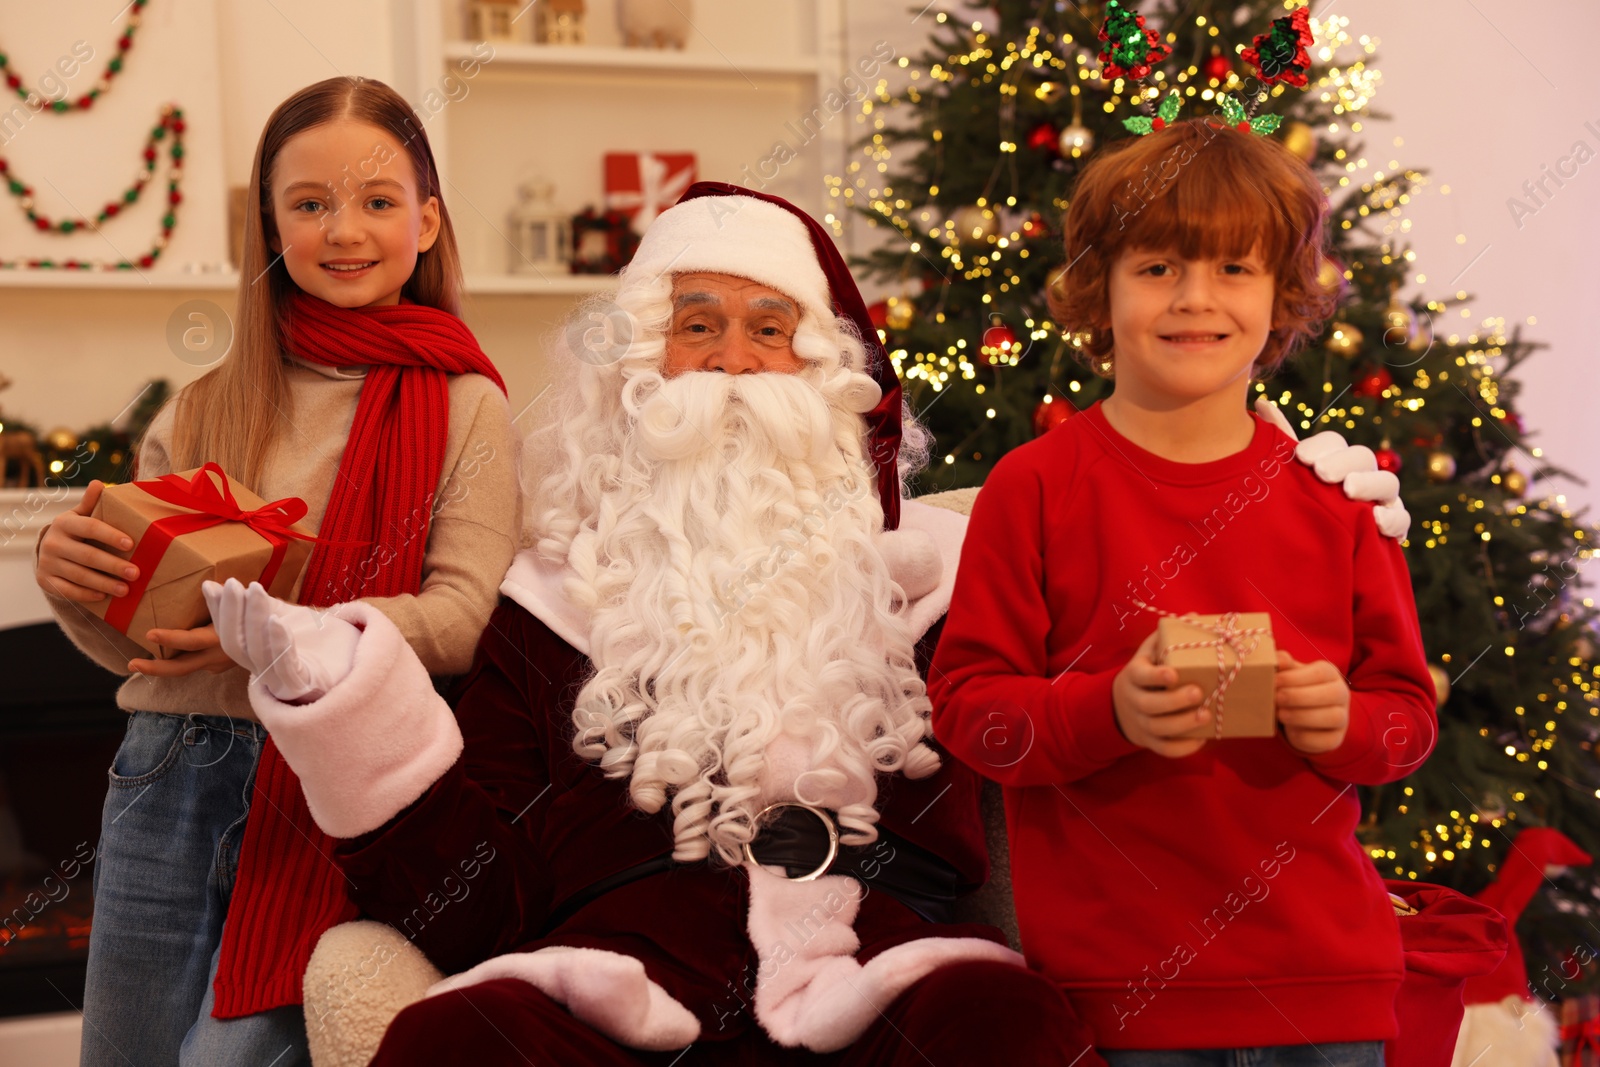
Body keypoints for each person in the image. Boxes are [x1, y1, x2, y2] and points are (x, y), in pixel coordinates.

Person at [203, 183, 1106, 1066]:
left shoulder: (942, 580)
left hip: (883, 972)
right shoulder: (546, 609)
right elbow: (476, 909)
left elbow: (1073, 736)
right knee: (456, 1042)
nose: (733, 362)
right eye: (698, 326)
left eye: (770, 330)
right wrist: (349, 709)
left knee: (1007, 1026)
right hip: (625, 986)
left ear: (822, 371)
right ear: (638, 366)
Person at [33, 76, 520, 1066]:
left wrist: (284, 634)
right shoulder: (206, 404)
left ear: (426, 220)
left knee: (228, 1058)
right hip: (166, 766)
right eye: (309, 203)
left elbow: (466, 616)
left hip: (328, 776)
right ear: (269, 222)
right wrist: (73, 581)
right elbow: (142, 636)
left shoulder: (469, 405)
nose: (346, 229)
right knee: (120, 1055)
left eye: (378, 201)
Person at [928, 118, 1435, 1062]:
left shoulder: (1342, 501)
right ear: (1100, 289)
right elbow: (972, 716)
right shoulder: (1034, 489)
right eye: (1158, 266)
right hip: (1118, 1001)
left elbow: (1406, 722)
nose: (1195, 299)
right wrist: (1108, 710)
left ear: (1282, 296)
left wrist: (1343, 722)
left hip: (1328, 994)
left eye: (1234, 270)